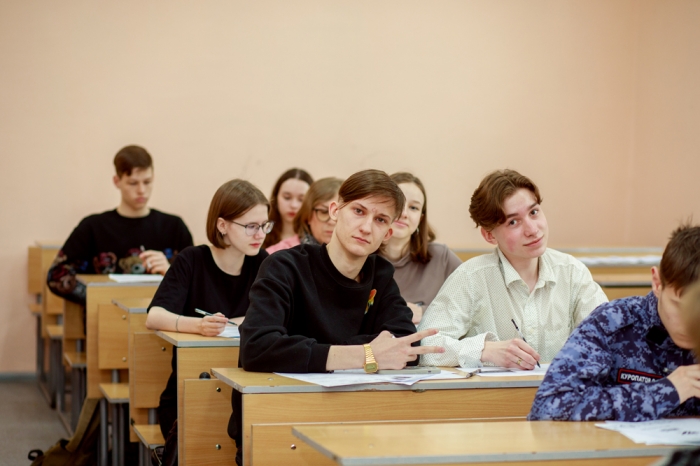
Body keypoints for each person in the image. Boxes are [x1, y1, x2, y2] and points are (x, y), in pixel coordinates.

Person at [229, 169, 444, 464]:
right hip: (278, 422)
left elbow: (405, 346)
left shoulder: (380, 275)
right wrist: (367, 353)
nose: (366, 227)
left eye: (381, 220)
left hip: (357, 425)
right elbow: (257, 347)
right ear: (334, 211)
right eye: (358, 211)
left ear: (388, 233)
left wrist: (307, 349)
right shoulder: (284, 267)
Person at [418, 169, 607, 369]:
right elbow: (425, 346)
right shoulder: (470, 278)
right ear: (489, 235)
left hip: (561, 388)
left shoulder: (571, 272)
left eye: (534, 212)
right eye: (513, 222)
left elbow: (609, 336)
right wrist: (483, 350)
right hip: (495, 390)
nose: (532, 230)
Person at [528, 224, 700, 422]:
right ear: (657, 283)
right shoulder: (612, 323)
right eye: (678, 305)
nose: (689, 323)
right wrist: (666, 391)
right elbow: (548, 406)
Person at [145, 179, 271, 440]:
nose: (260, 235)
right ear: (222, 225)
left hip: (245, 386)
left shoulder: (262, 262)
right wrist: (198, 325)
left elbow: (277, 318)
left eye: (264, 226)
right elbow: (154, 316)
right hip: (189, 390)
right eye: (251, 226)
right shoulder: (191, 259)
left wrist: (238, 321)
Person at [46, 145, 193, 305]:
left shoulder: (174, 227)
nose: (141, 190)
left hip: (162, 316)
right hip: (103, 315)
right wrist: (101, 298)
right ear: (117, 181)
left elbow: (199, 283)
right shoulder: (93, 227)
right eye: (133, 183)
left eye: (147, 182)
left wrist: (170, 271)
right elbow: (56, 276)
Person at [378, 172, 462, 324]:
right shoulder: (360, 256)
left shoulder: (441, 257)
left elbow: (474, 302)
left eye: (413, 207)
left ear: (421, 218)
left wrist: (425, 311)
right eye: (398, 203)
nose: (404, 213)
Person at [266, 177, 343, 253]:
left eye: (339, 213)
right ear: (308, 215)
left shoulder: (349, 254)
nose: (332, 222)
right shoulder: (280, 254)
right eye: (323, 212)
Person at [261, 168, 313, 249]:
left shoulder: (315, 240)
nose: (293, 205)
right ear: (276, 197)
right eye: (287, 197)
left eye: (301, 199)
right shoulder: (260, 233)